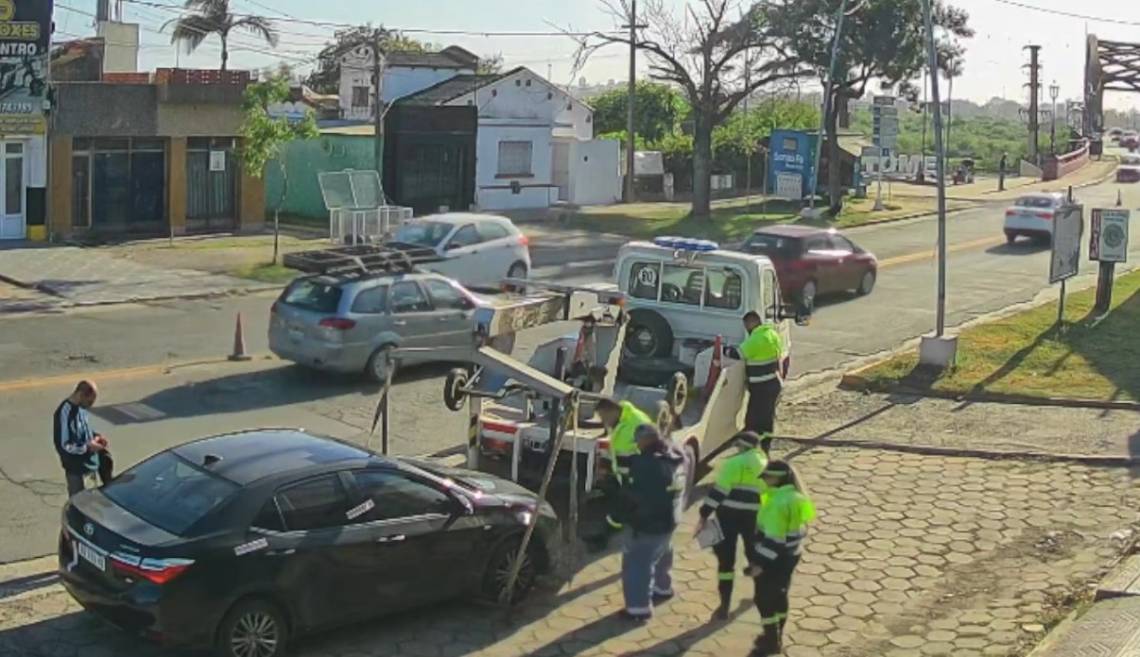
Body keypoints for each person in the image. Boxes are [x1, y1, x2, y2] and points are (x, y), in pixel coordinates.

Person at [614, 424, 686, 621]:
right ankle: (662, 588)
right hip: (671, 517)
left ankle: (638, 609)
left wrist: (618, 516)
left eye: (638, 441)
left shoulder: (645, 463)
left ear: (645, 440)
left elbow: (635, 496)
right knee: (663, 553)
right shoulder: (676, 454)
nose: (637, 445)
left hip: (648, 523)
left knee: (638, 563)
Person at [745, 460, 816, 657]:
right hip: (792, 554)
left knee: (763, 599)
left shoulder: (777, 503)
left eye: (767, 477)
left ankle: (771, 641)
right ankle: (778, 634)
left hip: (774, 557)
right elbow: (805, 523)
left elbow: (774, 540)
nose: (765, 481)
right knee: (780, 594)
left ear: (778, 478)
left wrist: (759, 564)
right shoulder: (798, 497)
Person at [695, 431, 768, 620]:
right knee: (755, 555)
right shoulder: (765, 463)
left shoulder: (732, 464)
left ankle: (724, 606)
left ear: (741, 446)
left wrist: (704, 514)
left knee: (726, 562)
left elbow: (719, 492)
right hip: (754, 518)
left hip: (728, 517)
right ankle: (761, 595)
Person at [594, 397, 654, 536]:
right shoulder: (619, 421)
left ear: (611, 411)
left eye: (604, 417)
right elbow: (617, 449)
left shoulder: (638, 423)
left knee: (622, 506)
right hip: (624, 475)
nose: (603, 421)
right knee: (622, 504)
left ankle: (604, 537)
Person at [54, 380, 113, 496]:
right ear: (80, 395)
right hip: (76, 467)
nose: (90, 405)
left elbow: (83, 429)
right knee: (78, 501)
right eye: (89, 401)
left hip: (89, 462)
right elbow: (64, 446)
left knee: (106, 459)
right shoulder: (64, 413)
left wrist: (96, 437)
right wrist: (87, 448)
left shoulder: (81, 408)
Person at [740, 311, 785, 441]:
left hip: (761, 388)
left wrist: (723, 350)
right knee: (767, 420)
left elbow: (737, 354)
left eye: (746, 326)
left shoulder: (756, 339)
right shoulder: (771, 334)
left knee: (752, 420)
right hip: (773, 383)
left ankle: (752, 449)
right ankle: (764, 448)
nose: (746, 329)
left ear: (751, 323)